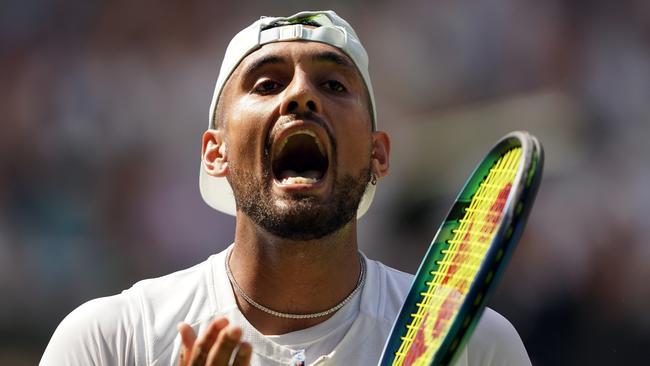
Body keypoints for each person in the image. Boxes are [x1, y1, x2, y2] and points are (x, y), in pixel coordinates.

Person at [41, 10, 531, 366]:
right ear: (217, 153)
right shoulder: (113, 341)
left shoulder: (478, 346)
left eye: (334, 86)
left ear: (378, 155)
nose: (300, 95)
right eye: (267, 83)